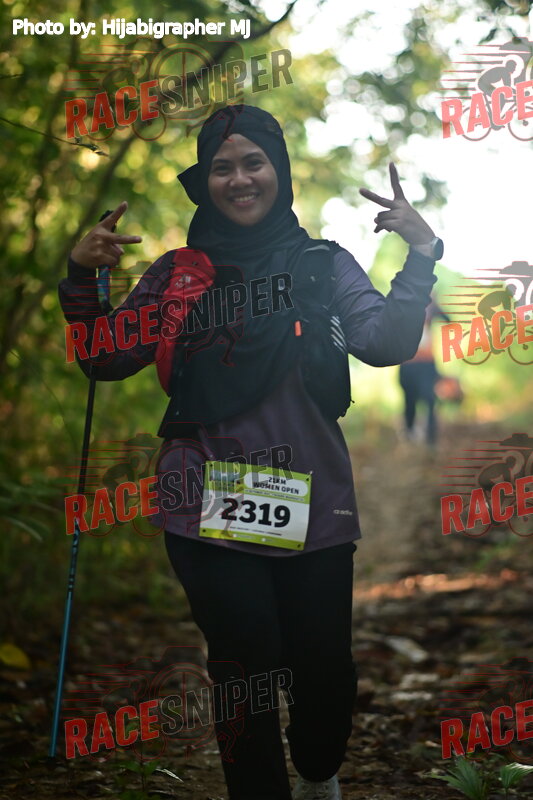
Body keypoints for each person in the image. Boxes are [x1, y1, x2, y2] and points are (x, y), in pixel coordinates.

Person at [59, 104, 442, 800]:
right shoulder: (175, 274)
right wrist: (82, 281)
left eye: (253, 163)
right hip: (202, 499)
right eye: (221, 167)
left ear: (279, 171)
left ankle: (318, 772)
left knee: (323, 677)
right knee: (244, 665)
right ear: (204, 182)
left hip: (314, 502)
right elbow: (106, 358)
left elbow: (385, 342)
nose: (239, 179)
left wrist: (420, 254)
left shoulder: (322, 263)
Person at [398, 297, 450, 446]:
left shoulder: (431, 307)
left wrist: (434, 304)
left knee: (430, 399)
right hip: (408, 364)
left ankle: (431, 440)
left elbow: (448, 320)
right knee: (409, 401)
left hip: (427, 364)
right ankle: (409, 436)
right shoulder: (402, 305)